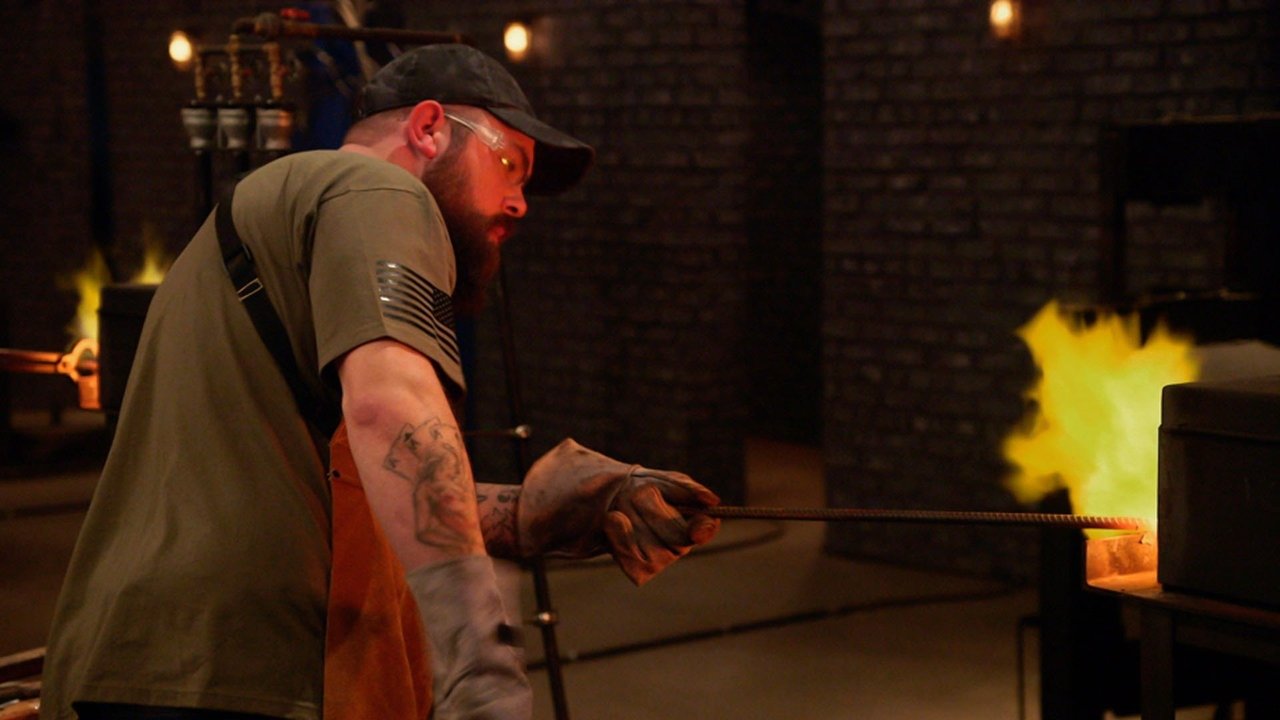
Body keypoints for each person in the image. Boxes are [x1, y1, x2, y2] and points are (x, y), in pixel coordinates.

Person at [40, 43, 721, 720]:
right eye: (509, 163)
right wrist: (480, 667)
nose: (519, 203)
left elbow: (354, 473)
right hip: (230, 673)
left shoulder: (283, 222)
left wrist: (526, 513)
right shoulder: (376, 189)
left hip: (156, 663)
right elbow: (389, 409)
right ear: (428, 129)